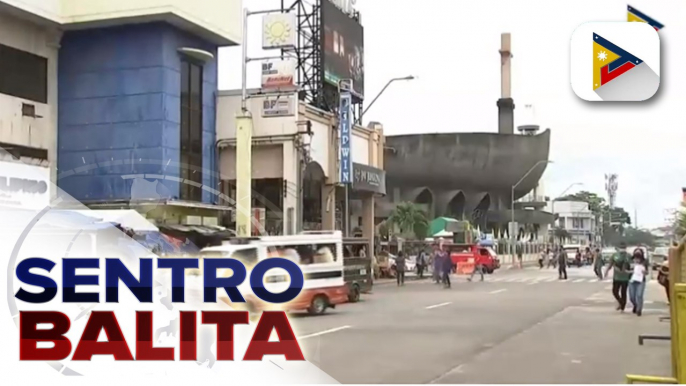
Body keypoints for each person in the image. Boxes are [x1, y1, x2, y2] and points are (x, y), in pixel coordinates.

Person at [605, 242, 632, 312]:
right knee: (615, 291)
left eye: (624, 248)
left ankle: (623, 307)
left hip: (625, 277)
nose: (622, 249)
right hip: (616, 277)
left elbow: (632, 266)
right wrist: (606, 271)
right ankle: (621, 302)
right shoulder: (614, 255)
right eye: (621, 247)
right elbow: (610, 264)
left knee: (623, 292)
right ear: (618, 248)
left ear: (626, 248)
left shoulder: (628, 256)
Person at [629, 251, 647, 316]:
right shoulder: (631, 263)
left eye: (638, 259)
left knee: (639, 295)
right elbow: (625, 270)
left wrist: (644, 272)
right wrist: (630, 271)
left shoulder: (644, 263)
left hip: (641, 281)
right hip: (632, 281)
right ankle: (635, 305)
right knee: (632, 297)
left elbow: (647, 272)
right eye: (636, 258)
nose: (637, 260)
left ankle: (639, 310)